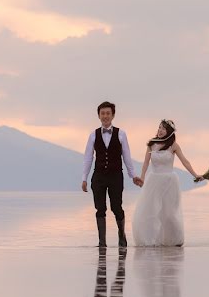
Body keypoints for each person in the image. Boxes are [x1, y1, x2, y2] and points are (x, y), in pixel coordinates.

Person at [131, 119, 201, 247]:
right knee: (151, 212)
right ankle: (151, 240)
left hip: (169, 182)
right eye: (159, 128)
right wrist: (142, 178)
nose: (160, 130)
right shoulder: (151, 144)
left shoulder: (173, 145)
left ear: (169, 131)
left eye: (163, 128)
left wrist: (196, 175)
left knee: (169, 213)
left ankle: (173, 240)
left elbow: (185, 161)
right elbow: (145, 163)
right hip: (154, 181)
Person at [82, 101, 142, 247]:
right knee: (100, 208)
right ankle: (102, 242)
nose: (105, 116)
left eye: (108, 113)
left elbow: (127, 156)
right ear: (99, 115)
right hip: (99, 177)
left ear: (113, 115)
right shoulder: (93, 135)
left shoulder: (121, 134)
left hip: (116, 176)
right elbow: (88, 158)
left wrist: (133, 175)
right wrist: (84, 178)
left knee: (116, 207)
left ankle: (122, 236)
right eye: (102, 113)